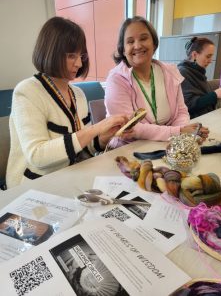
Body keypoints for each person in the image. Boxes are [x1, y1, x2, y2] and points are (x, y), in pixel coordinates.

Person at [6, 17, 131, 188]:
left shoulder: (77, 94)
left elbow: (82, 150)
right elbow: (37, 156)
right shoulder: (27, 91)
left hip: (71, 177)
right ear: (51, 52)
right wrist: (96, 128)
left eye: (81, 55)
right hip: (32, 187)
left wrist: (102, 139)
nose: (79, 63)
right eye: (71, 56)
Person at [105, 16, 209, 142]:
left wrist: (181, 139)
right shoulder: (116, 79)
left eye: (143, 38)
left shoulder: (170, 72)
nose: (137, 45)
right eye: (130, 41)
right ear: (123, 49)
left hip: (167, 144)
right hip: (129, 149)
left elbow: (181, 112)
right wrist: (178, 132)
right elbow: (131, 128)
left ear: (154, 43)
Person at [178, 37, 221, 118]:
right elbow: (188, 105)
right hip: (194, 121)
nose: (210, 60)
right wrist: (215, 94)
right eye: (208, 56)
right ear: (195, 55)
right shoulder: (183, 72)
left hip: (206, 116)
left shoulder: (198, 71)